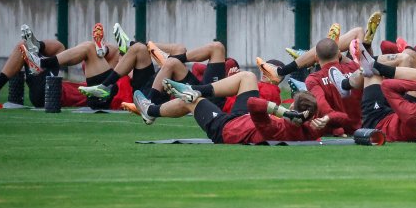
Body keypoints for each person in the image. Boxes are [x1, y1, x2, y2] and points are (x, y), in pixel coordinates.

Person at [129, 71, 328, 144]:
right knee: (247, 76)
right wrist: (325, 121)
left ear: (293, 108)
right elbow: (339, 120)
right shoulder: (308, 131)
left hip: (227, 129)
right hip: (243, 120)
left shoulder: (280, 128)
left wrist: (282, 111)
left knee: (190, 102)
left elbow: (254, 104)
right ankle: (194, 89)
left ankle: (150, 111)